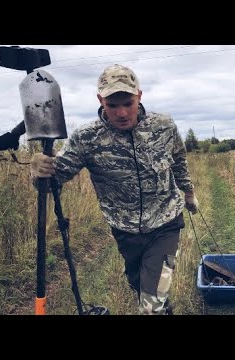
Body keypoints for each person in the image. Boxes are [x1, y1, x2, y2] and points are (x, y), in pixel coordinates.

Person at [30, 64, 199, 315]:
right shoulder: (87, 138)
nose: (121, 113)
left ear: (139, 96)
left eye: (128, 103)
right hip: (125, 231)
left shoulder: (163, 126)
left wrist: (188, 192)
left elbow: (178, 161)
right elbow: (54, 181)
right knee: (142, 288)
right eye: (112, 105)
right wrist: (39, 172)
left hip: (166, 224)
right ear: (100, 100)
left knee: (150, 306)